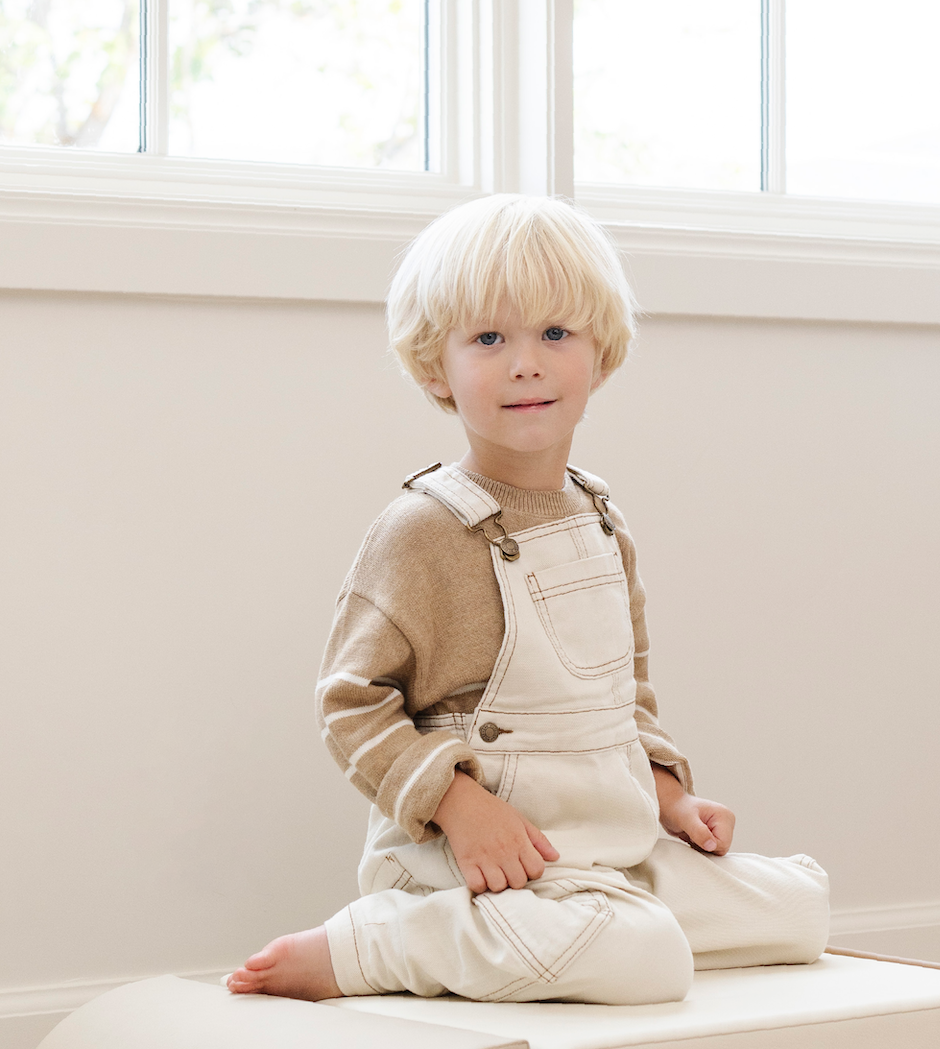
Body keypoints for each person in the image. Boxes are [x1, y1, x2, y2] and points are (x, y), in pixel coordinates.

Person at [227, 193, 829, 1004]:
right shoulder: (423, 530)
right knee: (645, 958)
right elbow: (349, 706)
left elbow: (623, 698)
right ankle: (379, 944)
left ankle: (606, 915)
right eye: (488, 338)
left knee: (800, 911)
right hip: (481, 860)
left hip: (604, 843)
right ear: (435, 365)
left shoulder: (601, 519)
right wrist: (459, 805)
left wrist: (671, 795)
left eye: (555, 334)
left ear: (601, 353)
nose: (526, 363)